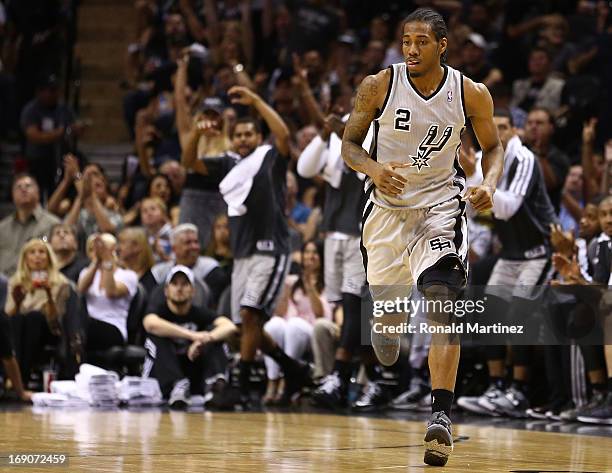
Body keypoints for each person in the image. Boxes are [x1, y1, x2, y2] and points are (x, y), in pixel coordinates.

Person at [340, 8, 503, 466]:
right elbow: (349, 144)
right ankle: (385, 321)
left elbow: (493, 146)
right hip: (386, 214)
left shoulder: (470, 93)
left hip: (439, 208)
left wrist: (488, 183)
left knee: (441, 298)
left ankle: (441, 416)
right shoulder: (378, 85)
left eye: (421, 42)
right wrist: (374, 169)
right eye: (406, 41)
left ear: (442, 45)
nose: (411, 49)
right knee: (389, 336)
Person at [456, 109, 558, 418]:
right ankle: (496, 387)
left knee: (517, 315)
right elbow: (473, 211)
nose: (496, 132)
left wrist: (476, 178)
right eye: (491, 126)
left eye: (502, 126)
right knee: (491, 314)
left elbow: (509, 207)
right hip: (511, 253)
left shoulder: (523, 158)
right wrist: (472, 179)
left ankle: (518, 392)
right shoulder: (488, 161)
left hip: (539, 251)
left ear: (514, 129)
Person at [142, 265, 237, 408]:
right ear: (166, 291)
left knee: (216, 336)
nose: (179, 289)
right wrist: (193, 335)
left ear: (192, 291)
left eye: (184, 284)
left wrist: (205, 339)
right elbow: (150, 324)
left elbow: (229, 326)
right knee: (155, 337)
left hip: (194, 369)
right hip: (164, 372)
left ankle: (214, 386)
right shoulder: (158, 310)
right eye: (174, 284)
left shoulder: (199, 312)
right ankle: (176, 384)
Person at [262, 240, 333, 404]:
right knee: (273, 325)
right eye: (307, 252)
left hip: (314, 331)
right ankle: (272, 380)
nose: (310, 256)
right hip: (289, 329)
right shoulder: (293, 281)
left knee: (294, 325)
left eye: (315, 252)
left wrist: (309, 286)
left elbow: (320, 314)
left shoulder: (328, 283)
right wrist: (284, 289)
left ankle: (288, 381)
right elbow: (280, 313)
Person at [4, 239, 73, 384]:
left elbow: (56, 321)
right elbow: (7, 318)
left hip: (50, 332)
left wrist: (49, 294)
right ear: (25, 258)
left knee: (34, 317)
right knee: (18, 319)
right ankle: (15, 379)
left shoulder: (61, 282)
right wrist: (17, 303)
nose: (37, 256)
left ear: (48, 257)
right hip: (20, 329)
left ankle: (20, 380)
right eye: (32, 252)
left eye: (42, 252)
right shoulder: (16, 282)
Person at [78, 233, 138, 352]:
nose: (98, 252)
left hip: (113, 327)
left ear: (114, 250)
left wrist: (107, 261)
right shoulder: (86, 272)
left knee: (84, 326)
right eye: (93, 249)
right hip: (87, 325)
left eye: (104, 248)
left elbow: (111, 292)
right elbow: (80, 290)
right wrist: (96, 262)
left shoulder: (128, 275)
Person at [151, 224, 226, 308]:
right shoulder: (160, 272)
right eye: (188, 243)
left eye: (196, 242)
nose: (194, 247)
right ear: (174, 248)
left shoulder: (211, 268)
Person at [0, 173, 60, 276]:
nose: (23, 189)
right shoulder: (2, 227)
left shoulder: (53, 224)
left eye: (28, 186)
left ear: (38, 192)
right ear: (13, 195)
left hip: (36, 282)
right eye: (18, 187)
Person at [117, 227, 157, 293]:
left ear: (137, 247)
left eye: (123, 243)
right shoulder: (118, 271)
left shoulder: (151, 279)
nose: (118, 248)